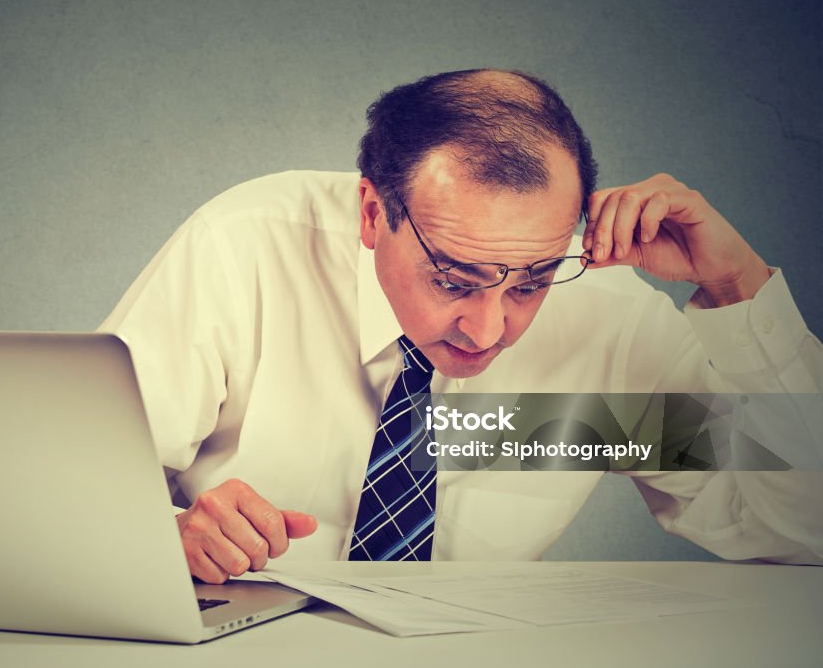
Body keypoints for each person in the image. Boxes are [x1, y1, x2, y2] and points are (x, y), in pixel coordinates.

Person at [100, 69, 822, 583]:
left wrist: (739, 287)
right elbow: (62, 504)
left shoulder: (606, 313)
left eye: (533, 281)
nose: (487, 328)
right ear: (373, 213)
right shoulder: (243, 249)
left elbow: (798, 527)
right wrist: (168, 535)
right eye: (453, 278)